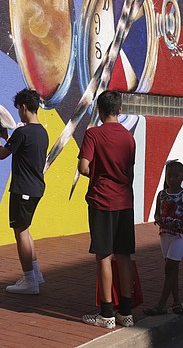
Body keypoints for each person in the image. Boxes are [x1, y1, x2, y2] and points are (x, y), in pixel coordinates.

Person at [78, 90, 137, 329]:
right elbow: (129, 171)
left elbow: (83, 167)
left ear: (99, 111)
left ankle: (106, 313)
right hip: (125, 201)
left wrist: (99, 174)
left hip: (102, 200)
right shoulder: (129, 138)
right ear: (120, 110)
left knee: (103, 255)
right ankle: (126, 312)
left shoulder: (93, 134)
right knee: (124, 256)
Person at [0, 89, 49, 295]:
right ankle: (35, 274)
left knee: (21, 232)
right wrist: (8, 137)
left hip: (22, 190)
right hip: (35, 189)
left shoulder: (22, 132)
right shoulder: (42, 131)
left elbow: (1, 154)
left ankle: (29, 281)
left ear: (23, 107)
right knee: (25, 230)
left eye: (18, 109)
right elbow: (20, 148)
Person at [143, 160, 183, 316]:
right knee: (173, 270)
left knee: (169, 269)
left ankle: (161, 305)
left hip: (179, 236)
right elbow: (157, 212)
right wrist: (158, 219)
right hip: (164, 235)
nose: (172, 179)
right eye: (169, 176)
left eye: (176, 176)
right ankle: (176, 302)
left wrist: (177, 223)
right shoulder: (162, 194)